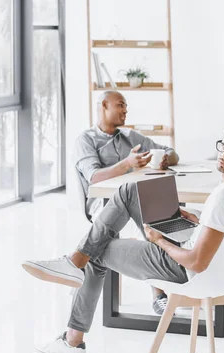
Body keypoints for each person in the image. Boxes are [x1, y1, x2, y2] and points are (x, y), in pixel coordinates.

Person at [22, 123, 224, 353]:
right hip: (221, 270)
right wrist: (202, 222)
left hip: (184, 268)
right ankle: (75, 263)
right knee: (130, 191)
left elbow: (197, 262)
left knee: (98, 249)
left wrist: (159, 240)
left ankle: (73, 339)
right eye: (223, 147)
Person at [73, 90, 179, 315]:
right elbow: (93, 177)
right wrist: (128, 163)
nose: (125, 111)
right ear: (104, 105)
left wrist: (166, 158)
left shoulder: (131, 137)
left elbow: (170, 151)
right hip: (104, 204)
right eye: (120, 105)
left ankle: (160, 291)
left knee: (156, 217)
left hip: (136, 199)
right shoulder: (86, 140)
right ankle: (161, 291)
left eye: (126, 106)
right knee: (143, 217)